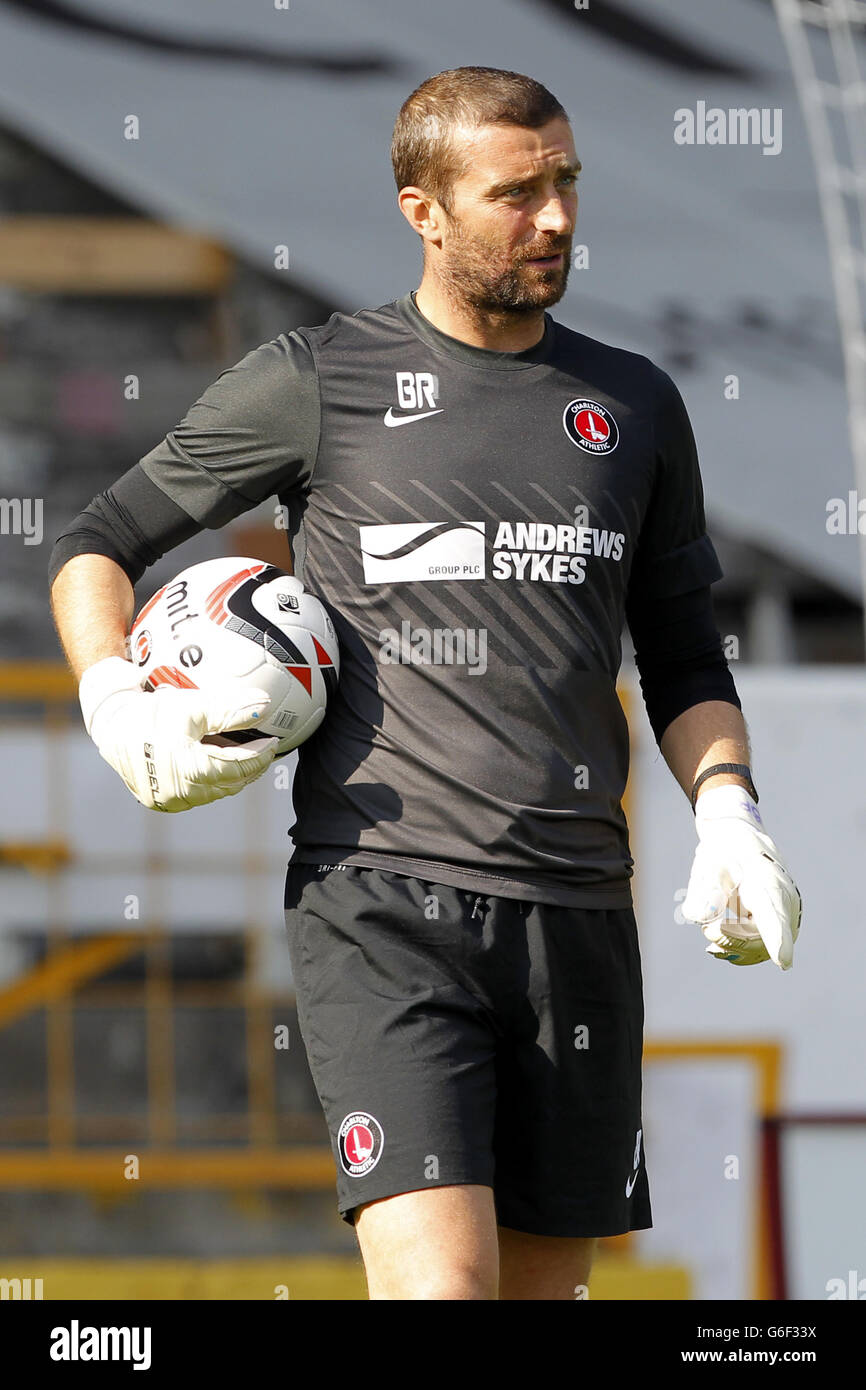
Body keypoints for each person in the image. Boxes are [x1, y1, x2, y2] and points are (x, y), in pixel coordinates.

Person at [48, 66, 802, 1301]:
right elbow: (95, 542)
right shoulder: (317, 381)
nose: (555, 217)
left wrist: (730, 814)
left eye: (565, 182)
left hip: (579, 922)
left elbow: (681, 658)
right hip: (382, 908)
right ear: (423, 210)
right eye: (517, 193)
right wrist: (112, 702)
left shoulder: (636, 406)